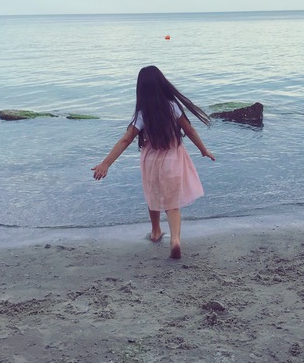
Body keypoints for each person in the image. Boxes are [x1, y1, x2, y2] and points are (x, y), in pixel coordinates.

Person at [92, 66, 215, 259]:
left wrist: (106, 163)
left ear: (141, 89)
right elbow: (190, 130)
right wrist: (203, 149)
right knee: (172, 204)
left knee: (153, 195)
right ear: (162, 84)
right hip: (173, 160)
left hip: (151, 161)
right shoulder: (173, 106)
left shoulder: (142, 114)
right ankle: (175, 240)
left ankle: (156, 231)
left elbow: (126, 140)